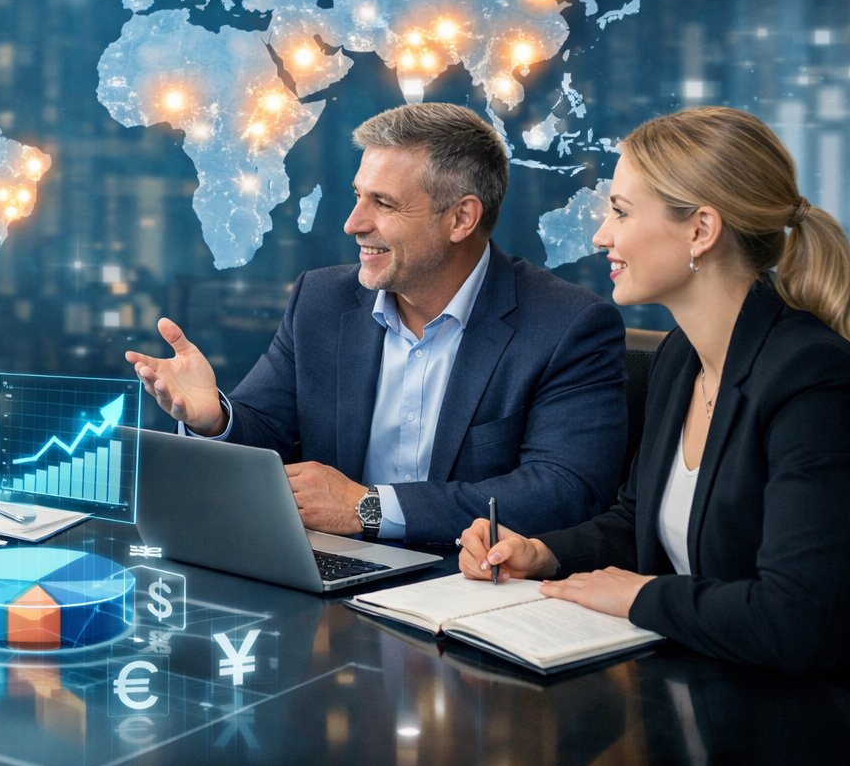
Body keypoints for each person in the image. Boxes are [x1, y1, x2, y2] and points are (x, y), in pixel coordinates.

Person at [459, 106, 850, 675]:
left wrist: (640, 597)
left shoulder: (812, 379)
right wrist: (545, 554)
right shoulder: (680, 358)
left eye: (620, 212)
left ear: (701, 230)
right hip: (697, 685)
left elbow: (796, 618)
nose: (601, 235)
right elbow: (634, 521)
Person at [127, 102, 626, 545]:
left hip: (468, 585)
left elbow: (564, 492)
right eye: (358, 196)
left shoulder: (568, 325)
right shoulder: (321, 300)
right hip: (336, 572)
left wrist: (366, 508)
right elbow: (268, 434)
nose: (353, 222)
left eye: (383, 203)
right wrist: (213, 416)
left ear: (461, 219)